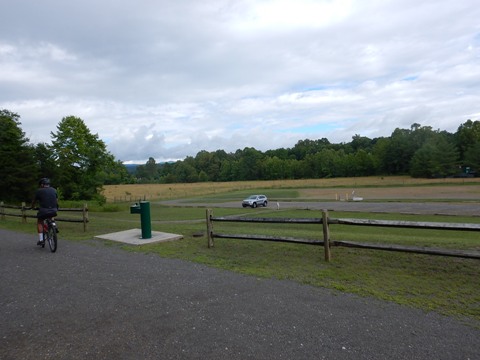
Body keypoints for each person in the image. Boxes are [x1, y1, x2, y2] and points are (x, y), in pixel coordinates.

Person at [31, 178, 59, 245]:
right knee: (51, 215)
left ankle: (41, 240)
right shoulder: (54, 190)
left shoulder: (39, 191)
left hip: (44, 210)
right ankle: (54, 225)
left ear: (42, 184)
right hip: (54, 209)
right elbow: (56, 200)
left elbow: (34, 201)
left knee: (40, 222)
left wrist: (32, 207)